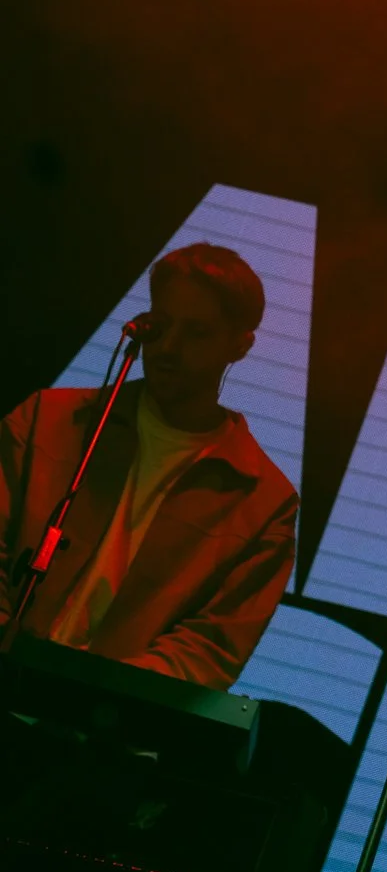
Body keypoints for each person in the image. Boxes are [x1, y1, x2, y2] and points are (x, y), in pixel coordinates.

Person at [0, 243, 298, 690]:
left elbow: (209, 648)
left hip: (107, 741)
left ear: (240, 346)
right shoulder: (46, 419)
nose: (169, 348)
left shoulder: (263, 502)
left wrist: (93, 694)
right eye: (162, 325)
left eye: (196, 333)